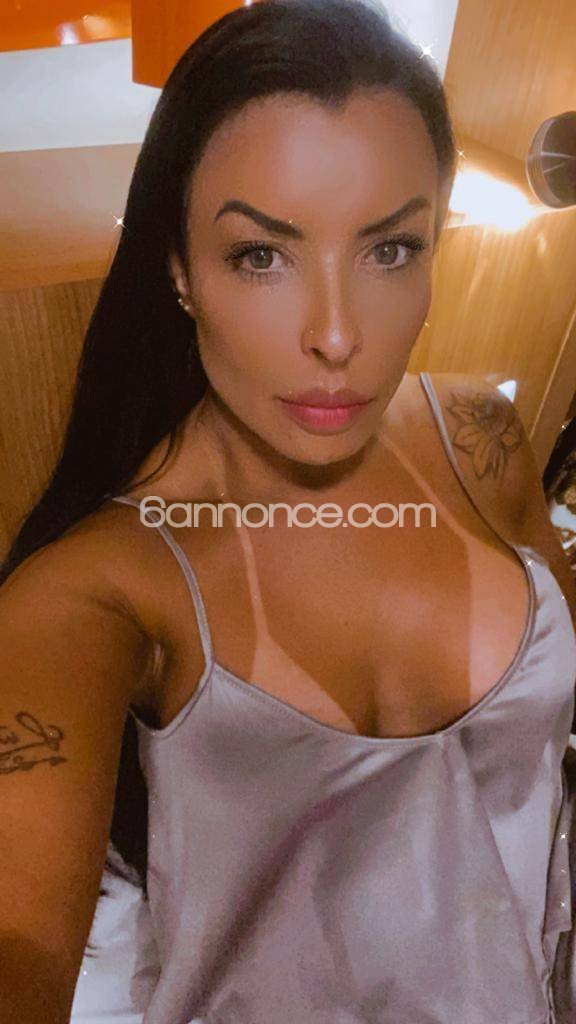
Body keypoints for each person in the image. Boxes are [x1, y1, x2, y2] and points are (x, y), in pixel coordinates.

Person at [2, 0, 576, 1021]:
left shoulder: (483, 441)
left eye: (390, 249)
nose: (337, 335)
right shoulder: (99, 593)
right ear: (180, 269)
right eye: (261, 255)